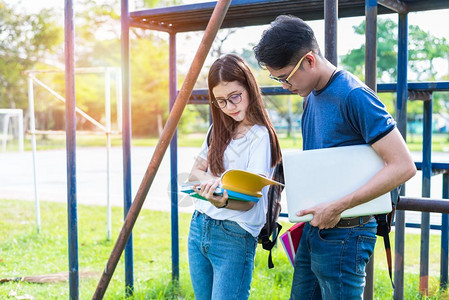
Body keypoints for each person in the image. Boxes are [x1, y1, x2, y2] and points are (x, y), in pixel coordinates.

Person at [253, 15, 417, 299]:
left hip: (347, 234)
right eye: (276, 78)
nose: (283, 86)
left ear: (310, 60)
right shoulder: (310, 96)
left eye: (285, 77)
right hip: (315, 228)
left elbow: (403, 166)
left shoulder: (354, 96)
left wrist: (338, 206)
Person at [187, 54, 282, 300]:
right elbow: (194, 172)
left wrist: (223, 200)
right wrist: (212, 184)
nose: (230, 107)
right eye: (221, 101)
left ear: (249, 87)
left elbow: (250, 200)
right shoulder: (217, 129)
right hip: (199, 225)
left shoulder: (261, 137)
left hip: (234, 235)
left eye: (235, 97)